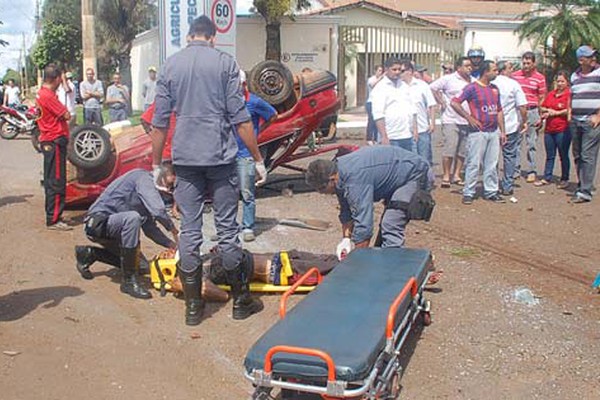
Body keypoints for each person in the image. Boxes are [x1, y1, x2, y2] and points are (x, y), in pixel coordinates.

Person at [151, 16, 267, 326]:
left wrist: (156, 163)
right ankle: (241, 302)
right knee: (228, 231)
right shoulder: (225, 64)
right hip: (220, 161)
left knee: (190, 232)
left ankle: (193, 308)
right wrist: (257, 159)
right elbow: (240, 119)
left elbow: (159, 123)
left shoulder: (170, 66)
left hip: (186, 163)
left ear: (189, 36)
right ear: (212, 38)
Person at [305, 146, 433, 259]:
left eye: (322, 189)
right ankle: (387, 261)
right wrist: (346, 240)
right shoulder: (338, 172)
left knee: (390, 223)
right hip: (395, 172)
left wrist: (358, 262)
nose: (322, 193)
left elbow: (364, 223)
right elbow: (347, 211)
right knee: (385, 230)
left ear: (332, 179)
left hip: (415, 173)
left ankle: (395, 270)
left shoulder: (355, 179)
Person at [75, 168, 179, 299]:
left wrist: (172, 245)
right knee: (132, 218)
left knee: (141, 266)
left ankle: (89, 254)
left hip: (114, 231)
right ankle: (128, 282)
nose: (169, 189)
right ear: (164, 175)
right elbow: (158, 210)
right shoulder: (143, 178)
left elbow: (150, 229)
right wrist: (172, 228)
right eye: (170, 184)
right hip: (97, 224)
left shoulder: (145, 197)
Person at [451, 60, 507, 205]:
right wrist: (468, 117)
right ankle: (469, 192)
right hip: (478, 132)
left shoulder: (495, 89)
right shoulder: (472, 88)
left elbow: (499, 110)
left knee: (492, 163)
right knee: (473, 163)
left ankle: (491, 191)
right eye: (494, 70)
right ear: (485, 72)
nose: (496, 72)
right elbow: (455, 102)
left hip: (493, 131)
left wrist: (503, 131)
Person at [237, 71, 277, 242]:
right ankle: (229, 227)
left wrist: (257, 132)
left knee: (247, 192)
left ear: (244, 85)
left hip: (245, 154)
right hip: (227, 154)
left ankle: (247, 226)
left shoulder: (254, 102)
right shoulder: (226, 102)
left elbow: (272, 115)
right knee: (226, 194)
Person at [35, 63, 72, 230]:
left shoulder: (42, 94)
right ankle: (54, 218)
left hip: (49, 140)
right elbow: (66, 114)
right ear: (56, 78)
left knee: (52, 180)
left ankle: (54, 214)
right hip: (54, 140)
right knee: (56, 181)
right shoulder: (48, 96)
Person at [430, 57, 473, 187]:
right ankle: (446, 175)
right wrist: (441, 101)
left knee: (462, 149)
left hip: (466, 120)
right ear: (459, 67)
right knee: (450, 147)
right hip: (451, 118)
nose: (469, 68)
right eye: (466, 66)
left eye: (470, 66)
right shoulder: (449, 79)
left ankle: (457, 174)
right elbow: (432, 87)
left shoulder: (473, 81)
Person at [569, 45, 600, 203]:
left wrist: (598, 116)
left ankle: (585, 192)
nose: (594, 59)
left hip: (591, 121)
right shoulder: (574, 76)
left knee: (588, 155)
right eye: (590, 56)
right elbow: (572, 96)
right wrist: (570, 114)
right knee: (578, 154)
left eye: (594, 56)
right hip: (576, 120)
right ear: (581, 60)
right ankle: (583, 183)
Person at [493, 60, 528, 196]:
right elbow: (522, 106)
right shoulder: (513, 84)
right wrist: (523, 121)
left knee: (492, 157)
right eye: (510, 68)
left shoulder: (492, 83)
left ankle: (493, 184)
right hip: (510, 125)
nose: (512, 70)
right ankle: (507, 184)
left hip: (492, 126)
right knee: (509, 156)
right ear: (503, 70)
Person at [512, 51, 547, 183]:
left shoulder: (540, 78)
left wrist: (540, 115)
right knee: (516, 141)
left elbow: (542, 96)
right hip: (518, 111)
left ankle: (532, 170)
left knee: (531, 143)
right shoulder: (515, 76)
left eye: (528, 63)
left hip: (532, 111)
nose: (526, 65)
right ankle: (515, 169)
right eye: (524, 62)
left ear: (534, 63)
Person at [371, 56, 417, 150]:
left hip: (407, 136)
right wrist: (384, 136)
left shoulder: (404, 86)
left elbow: (413, 109)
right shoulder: (380, 88)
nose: (397, 72)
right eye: (394, 69)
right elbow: (378, 115)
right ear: (386, 70)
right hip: (391, 137)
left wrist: (415, 130)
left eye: (399, 69)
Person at [536, 71, 572, 189]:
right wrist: (545, 112)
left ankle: (565, 178)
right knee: (550, 155)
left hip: (563, 129)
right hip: (549, 130)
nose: (560, 84)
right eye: (558, 81)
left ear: (567, 82)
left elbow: (569, 109)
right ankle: (547, 177)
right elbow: (543, 106)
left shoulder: (569, 95)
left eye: (562, 81)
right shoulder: (551, 94)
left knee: (563, 154)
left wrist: (556, 112)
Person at [398, 59, 436, 165]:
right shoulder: (398, 87)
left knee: (425, 158)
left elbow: (432, 105)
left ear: (409, 71)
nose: (399, 74)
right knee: (409, 160)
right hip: (405, 130)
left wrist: (432, 123)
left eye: (402, 71)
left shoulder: (422, 86)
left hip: (422, 128)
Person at [365, 65, 384, 145]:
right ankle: (369, 138)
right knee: (371, 121)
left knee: (378, 120)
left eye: (381, 71)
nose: (380, 72)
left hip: (378, 102)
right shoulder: (371, 79)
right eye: (379, 70)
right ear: (375, 71)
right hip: (371, 102)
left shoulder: (383, 81)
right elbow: (372, 85)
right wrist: (380, 79)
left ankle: (376, 138)